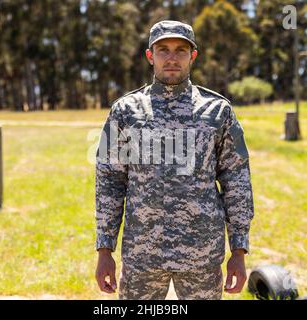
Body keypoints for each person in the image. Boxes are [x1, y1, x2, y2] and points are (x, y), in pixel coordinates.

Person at [95, 20, 254, 300]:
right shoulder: (125, 110)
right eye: (163, 50)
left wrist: (238, 250)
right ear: (150, 56)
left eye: (181, 50)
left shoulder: (218, 111)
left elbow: (236, 181)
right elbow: (109, 181)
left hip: (201, 254)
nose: (171, 58)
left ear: (193, 56)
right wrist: (105, 248)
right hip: (142, 252)